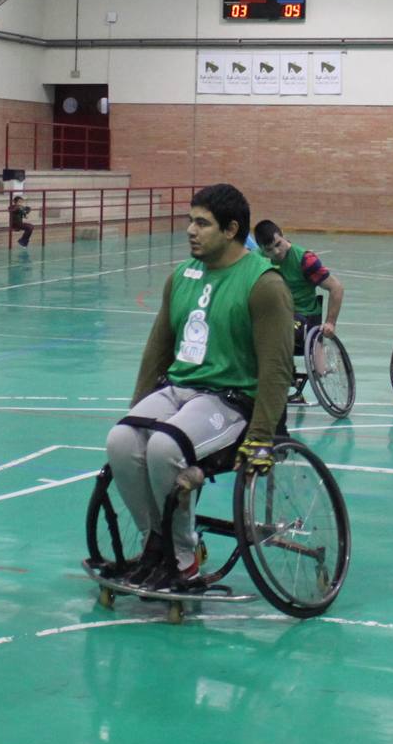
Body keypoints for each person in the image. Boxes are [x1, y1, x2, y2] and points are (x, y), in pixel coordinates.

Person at [103, 184, 293, 592]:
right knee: (121, 439)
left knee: (164, 448)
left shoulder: (264, 284)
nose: (190, 229)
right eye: (191, 220)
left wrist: (261, 438)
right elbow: (157, 349)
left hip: (231, 400)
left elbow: (277, 369)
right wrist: (139, 410)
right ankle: (158, 543)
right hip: (180, 390)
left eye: (202, 223)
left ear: (231, 230)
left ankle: (184, 557)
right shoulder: (182, 276)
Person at [252, 220, 345, 378]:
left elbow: (336, 288)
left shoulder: (305, 260)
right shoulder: (255, 260)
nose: (276, 252)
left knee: (279, 328)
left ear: (283, 236)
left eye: (278, 244)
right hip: (274, 314)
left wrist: (330, 322)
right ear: (261, 248)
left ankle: (284, 376)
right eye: (269, 249)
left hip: (304, 316)